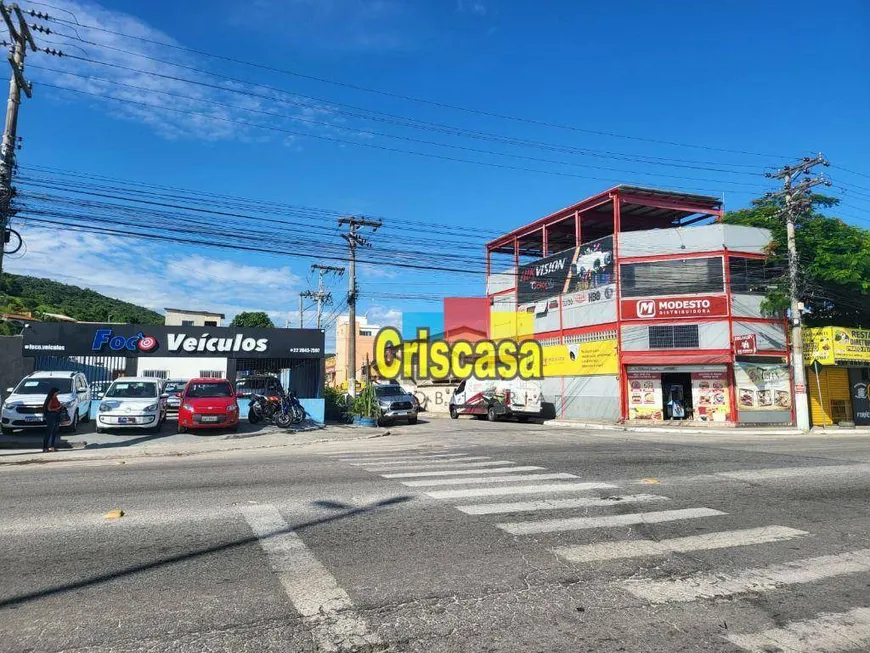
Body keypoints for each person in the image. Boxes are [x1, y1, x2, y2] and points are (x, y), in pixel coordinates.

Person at [42, 387, 62, 452]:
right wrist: (58, 408)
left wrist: (60, 406)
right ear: (54, 393)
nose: (57, 394)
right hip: (51, 416)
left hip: (56, 415)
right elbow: (49, 409)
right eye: (57, 393)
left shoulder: (56, 398)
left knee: (54, 432)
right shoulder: (50, 399)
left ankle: (52, 447)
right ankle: (45, 448)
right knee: (49, 431)